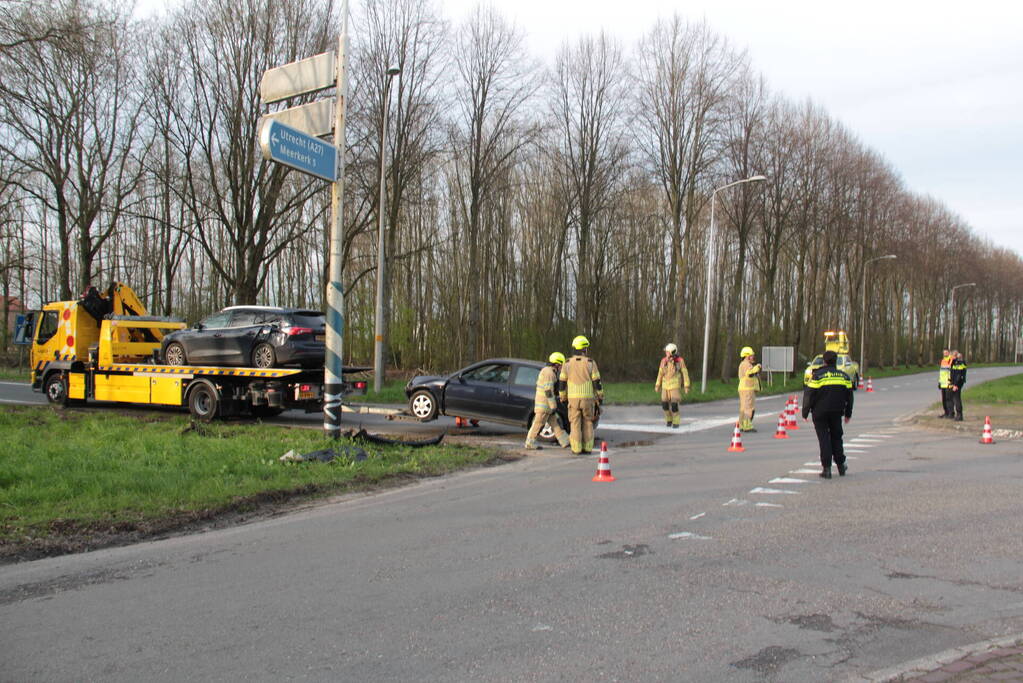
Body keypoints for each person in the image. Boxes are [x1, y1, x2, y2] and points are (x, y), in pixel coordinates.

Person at [802, 350, 854, 479]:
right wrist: (848, 413)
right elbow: (850, 397)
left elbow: (809, 395)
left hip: (820, 413)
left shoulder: (818, 376)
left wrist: (805, 412)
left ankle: (827, 469)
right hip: (837, 412)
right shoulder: (844, 376)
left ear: (824, 361)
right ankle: (841, 465)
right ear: (835, 361)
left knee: (824, 439)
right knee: (837, 437)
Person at [558, 335, 603, 454]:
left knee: (575, 423)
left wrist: (563, 396)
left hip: (572, 399)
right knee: (588, 422)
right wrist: (600, 395)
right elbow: (597, 382)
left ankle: (576, 449)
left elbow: (562, 383)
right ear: (584, 349)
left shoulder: (566, 363)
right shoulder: (590, 363)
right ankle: (587, 448)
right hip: (587, 399)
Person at [524, 352, 571, 450]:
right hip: (544, 406)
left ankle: (565, 441)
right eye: (561, 365)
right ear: (557, 364)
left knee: (555, 424)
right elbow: (548, 390)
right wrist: (553, 405)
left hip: (546, 406)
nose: (562, 367)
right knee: (538, 424)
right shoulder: (549, 373)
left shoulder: (548, 371)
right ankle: (529, 443)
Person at [654, 343, 691, 428]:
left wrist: (686, 386)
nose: (666, 353)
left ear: (672, 352)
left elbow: (685, 373)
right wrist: (657, 385)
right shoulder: (663, 361)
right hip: (665, 386)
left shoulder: (679, 361)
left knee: (674, 405)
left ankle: (676, 421)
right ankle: (669, 419)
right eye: (666, 352)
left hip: (674, 385)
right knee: (664, 405)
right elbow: (660, 373)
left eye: (667, 352)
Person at [737, 346, 761, 432]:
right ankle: (747, 426)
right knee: (749, 408)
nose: (753, 357)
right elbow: (749, 373)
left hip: (744, 388)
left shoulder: (744, 364)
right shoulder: (746, 364)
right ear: (746, 356)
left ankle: (741, 425)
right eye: (751, 355)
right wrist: (757, 368)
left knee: (744, 408)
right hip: (747, 389)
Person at [949, 350, 967, 421]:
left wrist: (955, 385)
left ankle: (959, 415)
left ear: (955, 356)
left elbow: (958, 375)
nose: (951, 357)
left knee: (957, 399)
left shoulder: (959, 363)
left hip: (958, 384)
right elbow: (953, 373)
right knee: (955, 398)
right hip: (955, 383)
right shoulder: (955, 362)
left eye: (952, 355)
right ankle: (958, 415)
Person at [938, 349, 954, 417]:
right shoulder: (943, 360)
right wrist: (939, 382)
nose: (945, 354)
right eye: (944, 353)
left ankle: (951, 413)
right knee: (944, 399)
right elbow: (941, 373)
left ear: (949, 353)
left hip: (949, 383)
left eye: (946, 352)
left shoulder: (951, 360)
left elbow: (952, 371)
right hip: (943, 383)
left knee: (949, 399)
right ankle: (946, 412)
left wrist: (952, 381)